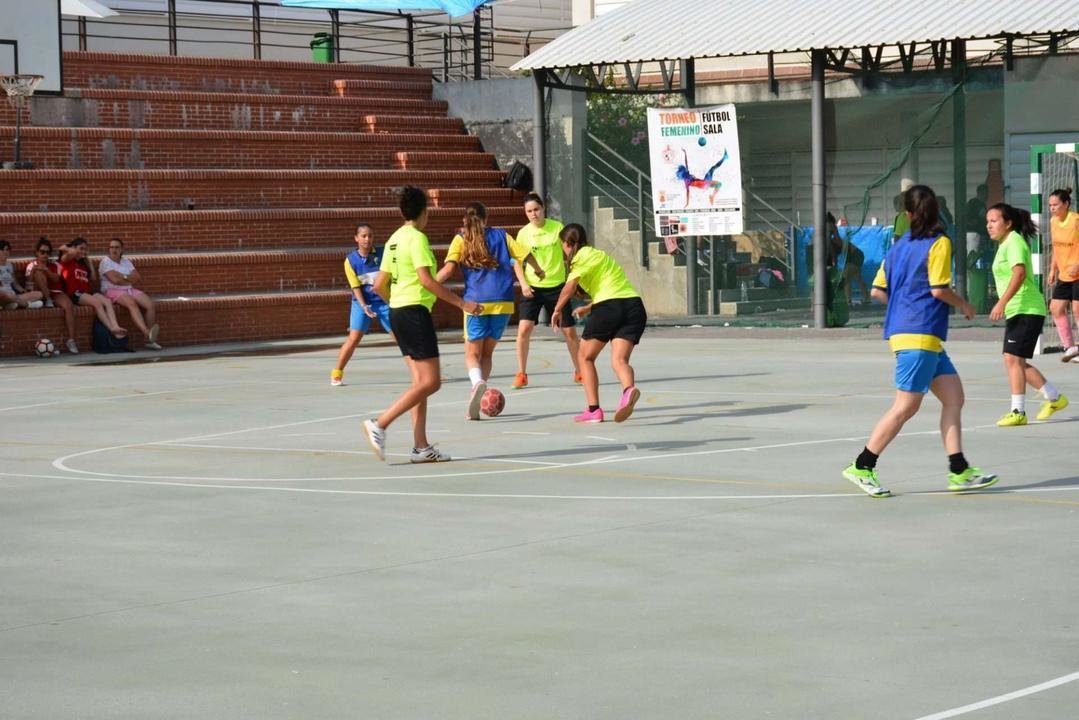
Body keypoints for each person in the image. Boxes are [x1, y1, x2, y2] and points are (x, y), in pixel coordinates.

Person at [842, 184, 997, 497]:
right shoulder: (938, 243)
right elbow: (939, 288)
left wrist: (904, 308)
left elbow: (877, 291)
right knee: (905, 407)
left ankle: (959, 470)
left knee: (954, 398)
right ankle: (862, 464)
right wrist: (965, 305)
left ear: (908, 214)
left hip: (914, 334)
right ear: (937, 211)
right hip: (920, 334)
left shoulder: (898, 247)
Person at [361, 186, 482, 463]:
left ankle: (420, 446)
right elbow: (427, 280)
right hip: (414, 313)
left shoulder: (394, 239)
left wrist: (398, 303)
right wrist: (463, 304)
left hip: (397, 312)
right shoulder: (417, 239)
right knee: (431, 381)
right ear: (423, 212)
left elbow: (379, 285)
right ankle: (379, 424)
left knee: (419, 382)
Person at [436, 202, 543, 419]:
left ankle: (477, 384)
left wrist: (429, 283)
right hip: (503, 302)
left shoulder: (460, 239)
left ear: (465, 220)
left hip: (476, 302)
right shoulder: (502, 236)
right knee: (487, 353)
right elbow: (524, 255)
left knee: (471, 354)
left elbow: (448, 269)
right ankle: (478, 396)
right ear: (487, 217)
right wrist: (538, 270)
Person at [551, 223, 647, 423]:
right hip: (634, 306)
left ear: (569, 244)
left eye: (563, 246)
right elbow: (613, 290)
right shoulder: (600, 255)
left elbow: (569, 288)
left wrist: (557, 309)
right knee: (619, 360)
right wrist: (588, 308)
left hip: (610, 308)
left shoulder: (581, 257)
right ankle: (628, 391)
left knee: (584, 357)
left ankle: (593, 410)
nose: (563, 250)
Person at [987, 203, 1068, 426]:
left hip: (1027, 308)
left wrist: (1001, 303)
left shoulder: (1014, 241)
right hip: (1018, 309)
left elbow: (1020, 273)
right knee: (1015, 360)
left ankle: (1018, 411)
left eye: (994, 221)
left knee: (1013, 359)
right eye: (988, 221)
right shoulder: (1005, 243)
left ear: (1008, 223)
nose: (989, 225)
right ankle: (1054, 397)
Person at [511, 193, 581, 389]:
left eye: (536, 209)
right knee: (524, 330)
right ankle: (521, 374)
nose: (533, 214)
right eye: (529, 211)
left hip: (557, 287)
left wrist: (572, 279)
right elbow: (517, 262)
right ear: (525, 213)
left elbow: (569, 255)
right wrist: (524, 284)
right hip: (533, 289)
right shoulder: (523, 234)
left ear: (543, 209)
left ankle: (579, 371)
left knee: (570, 332)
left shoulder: (557, 228)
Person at [331, 223, 391, 386]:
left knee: (400, 337)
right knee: (354, 338)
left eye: (370, 236)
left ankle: (421, 371)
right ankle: (337, 372)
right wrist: (364, 306)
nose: (367, 239)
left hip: (384, 301)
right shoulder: (350, 260)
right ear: (356, 238)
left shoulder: (383, 253)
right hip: (362, 303)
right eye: (363, 236)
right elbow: (355, 286)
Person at [58, 237, 127, 340]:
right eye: (81, 248)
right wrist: (75, 250)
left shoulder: (83, 263)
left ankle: (115, 325)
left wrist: (88, 262)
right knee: (97, 303)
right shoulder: (67, 260)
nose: (84, 251)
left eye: (85, 249)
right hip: (75, 293)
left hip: (87, 292)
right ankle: (111, 328)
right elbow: (62, 248)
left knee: (107, 302)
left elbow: (93, 278)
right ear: (73, 248)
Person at [99, 238, 161, 350]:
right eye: (111, 247)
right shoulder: (105, 262)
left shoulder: (126, 262)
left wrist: (122, 276)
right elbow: (114, 280)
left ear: (122, 249)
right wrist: (127, 278)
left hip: (129, 289)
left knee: (150, 305)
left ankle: (151, 340)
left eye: (117, 247)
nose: (114, 249)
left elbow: (137, 277)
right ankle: (147, 333)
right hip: (111, 290)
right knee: (132, 303)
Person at [25, 237, 80, 353]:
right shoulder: (31, 265)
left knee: (68, 306)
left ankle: (71, 340)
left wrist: (46, 269)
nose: (45, 255)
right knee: (39, 272)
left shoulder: (55, 265)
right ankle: (47, 298)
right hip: (39, 294)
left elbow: (56, 280)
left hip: (55, 293)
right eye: (42, 252)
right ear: (37, 253)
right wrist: (34, 272)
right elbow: (28, 285)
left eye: (47, 252)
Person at [1045, 188, 1079, 362]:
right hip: (1065, 273)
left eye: (1055, 205)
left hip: (1078, 273)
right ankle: (1070, 347)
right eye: (1050, 205)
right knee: (1056, 308)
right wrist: (1053, 269)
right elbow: (1056, 248)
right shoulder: (1053, 222)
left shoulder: (1076, 220)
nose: (1052, 208)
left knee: (1077, 309)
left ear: (1066, 204)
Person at [0, 240, 44, 310]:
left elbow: (15, 284)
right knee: (7, 296)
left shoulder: (9, 265)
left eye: (7, 250)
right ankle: (27, 305)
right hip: (3, 296)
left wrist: (24, 291)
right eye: (2, 250)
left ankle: (11, 305)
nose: (5, 252)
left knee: (39, 294)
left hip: (14, 296)